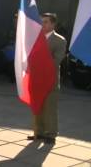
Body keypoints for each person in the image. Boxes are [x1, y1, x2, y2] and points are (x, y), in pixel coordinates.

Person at [27, 13, 67, 144]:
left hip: (50, 80)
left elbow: (57, 60)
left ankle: (51, 134)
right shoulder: (35, 38)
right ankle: (38, 132)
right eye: (41, 22)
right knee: (37, 106)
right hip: (36, 79)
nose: (42, 24)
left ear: (53, 24)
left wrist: (40, 65)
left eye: (45, 22)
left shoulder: (59, 40)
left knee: (50, 108)